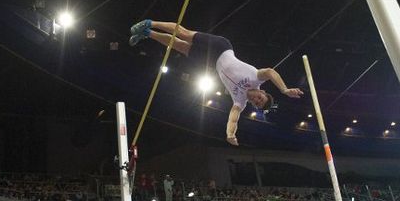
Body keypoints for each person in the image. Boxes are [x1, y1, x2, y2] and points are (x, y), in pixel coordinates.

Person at [129, 20, 303, 145]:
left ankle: (147, 34)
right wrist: (285, 89)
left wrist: (230, 133)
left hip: (213, 62)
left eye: (257, 104)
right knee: (185, 34)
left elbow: (233, 118)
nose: (256, 100)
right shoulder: (256, 77)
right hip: (221, 47)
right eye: (260, 98)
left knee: (179, 47)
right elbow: (271, 72)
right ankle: (149, 23)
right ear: (263, 92)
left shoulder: (240, 100)